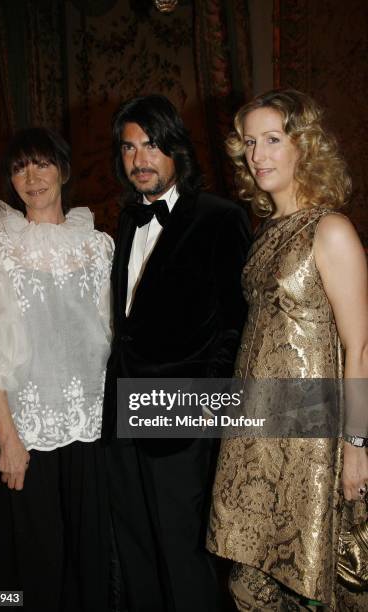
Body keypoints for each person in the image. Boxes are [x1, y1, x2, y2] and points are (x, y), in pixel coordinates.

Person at [207, 89, 368, 610]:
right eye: (250, 143)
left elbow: (360, 344)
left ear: (305, 145)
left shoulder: (330, 229)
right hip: (257, 435)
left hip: (314, 447)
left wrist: (357, 446)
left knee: (311, 587)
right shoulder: (266, 232)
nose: (258, 156)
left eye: (273, 139)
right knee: (249, 584)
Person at [102, 94, 251, 612]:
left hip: (184, 415)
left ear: (176, 150)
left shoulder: (220, 218)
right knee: (136, 547)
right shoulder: (124, 221)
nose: (139, 159)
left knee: (185, 557)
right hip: (122, 414)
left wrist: (204, 411)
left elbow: (236, 326)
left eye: (152, 145)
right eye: (129, 148)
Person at [0, 128, 113, 612]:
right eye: (20, 167)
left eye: (42, 163)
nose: (32, 176)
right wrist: (8, 439)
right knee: (29, 569)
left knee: (89, 563)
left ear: (64, 170)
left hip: (92, 435)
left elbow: (114, 340)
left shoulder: (101, 247)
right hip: (27, 438)